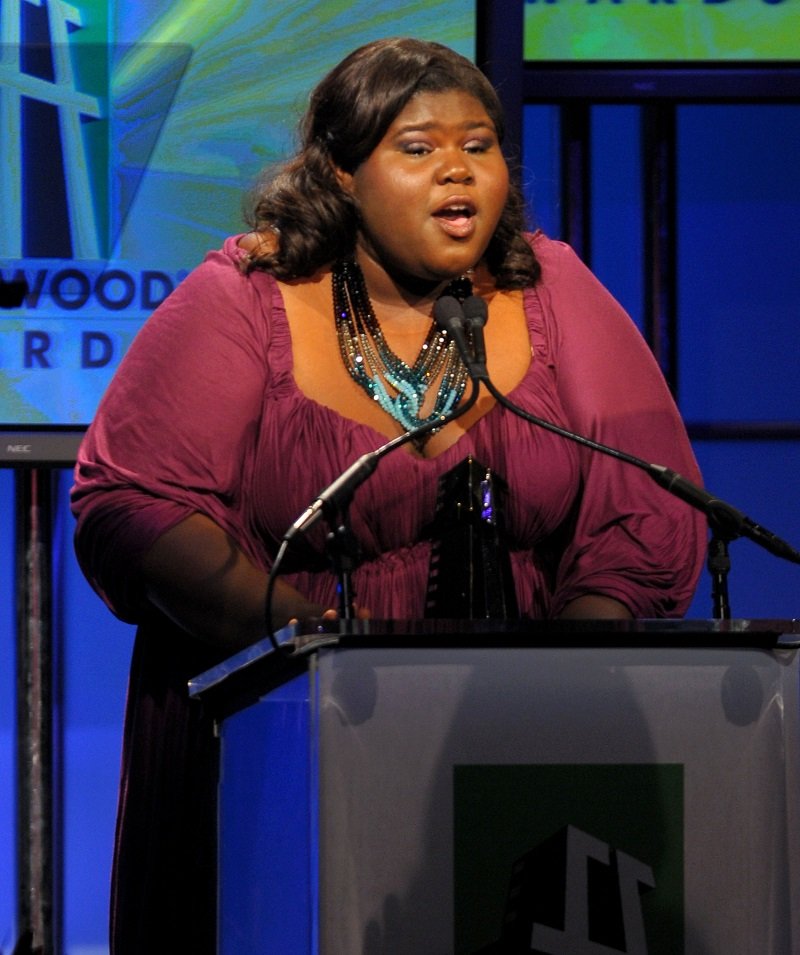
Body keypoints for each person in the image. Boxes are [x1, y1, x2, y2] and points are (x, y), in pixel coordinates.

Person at [70, 36, 706, 954]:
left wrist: (568, 675)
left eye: (478, 145)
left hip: (518, 745)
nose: (457, 167)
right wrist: (326, 655)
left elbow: (651, 510)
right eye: (417, 148)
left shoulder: (551, 286)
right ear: (342, 173)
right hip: (286, 739)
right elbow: (137, 504)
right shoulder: (246, 296)